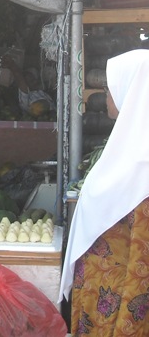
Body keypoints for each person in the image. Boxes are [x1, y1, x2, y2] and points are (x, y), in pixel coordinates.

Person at [60, 49, 149, 335]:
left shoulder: (143, 167)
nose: (106, 98)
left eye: (110, 90)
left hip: (119, 309)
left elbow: (143, 261)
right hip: (96, 296)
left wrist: (128, 326)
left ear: (131, 92)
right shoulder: (123, 150)